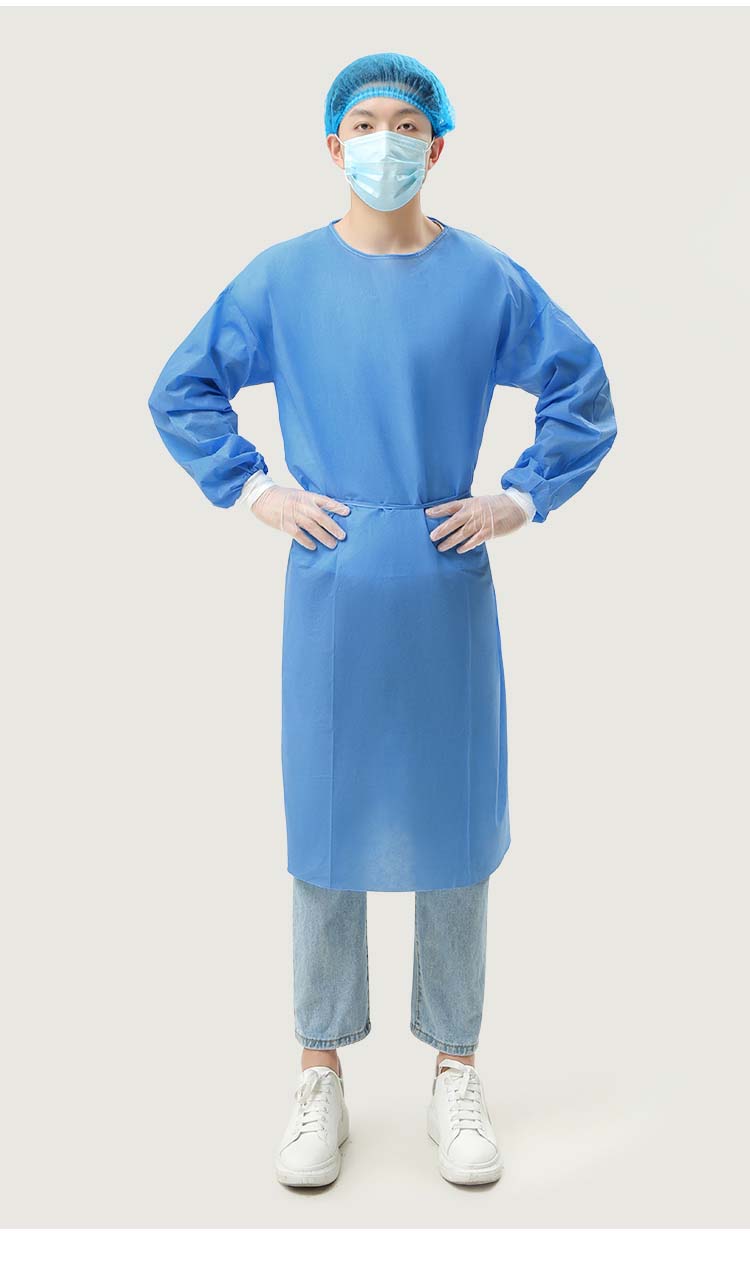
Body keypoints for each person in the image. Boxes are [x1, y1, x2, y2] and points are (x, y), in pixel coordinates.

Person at [147, 51, 617, 1189]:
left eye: (407, 123)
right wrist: (257, 490)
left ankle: (457, 1066)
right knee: (326, 827)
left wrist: (518, 497)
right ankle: (320, 1069)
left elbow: (582, 389)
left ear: (438, 144)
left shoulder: (485, 280)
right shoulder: (283, 279)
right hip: (334, 589)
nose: (385, 141)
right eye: (364, 123)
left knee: (456, 828)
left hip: (446, 585)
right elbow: (183, 389)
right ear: (331, 143)